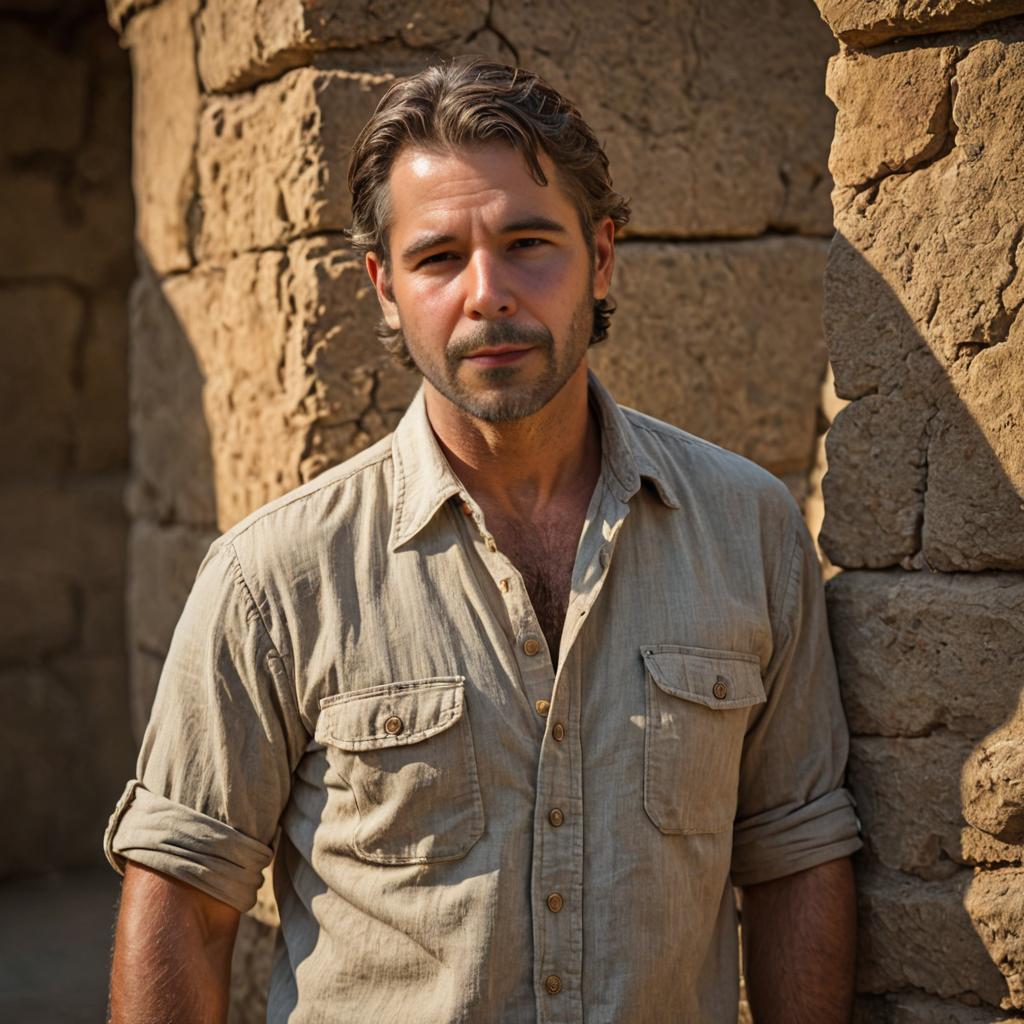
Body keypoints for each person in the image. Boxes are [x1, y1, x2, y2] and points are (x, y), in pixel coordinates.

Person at [106, 58, 861, 1023]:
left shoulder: (748, 530)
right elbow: (181, 899)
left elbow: (797, 853)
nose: (487, 293)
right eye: (437, 258)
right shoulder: (274, 577)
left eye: (528, 242)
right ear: (383, 286)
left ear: (603, 255)